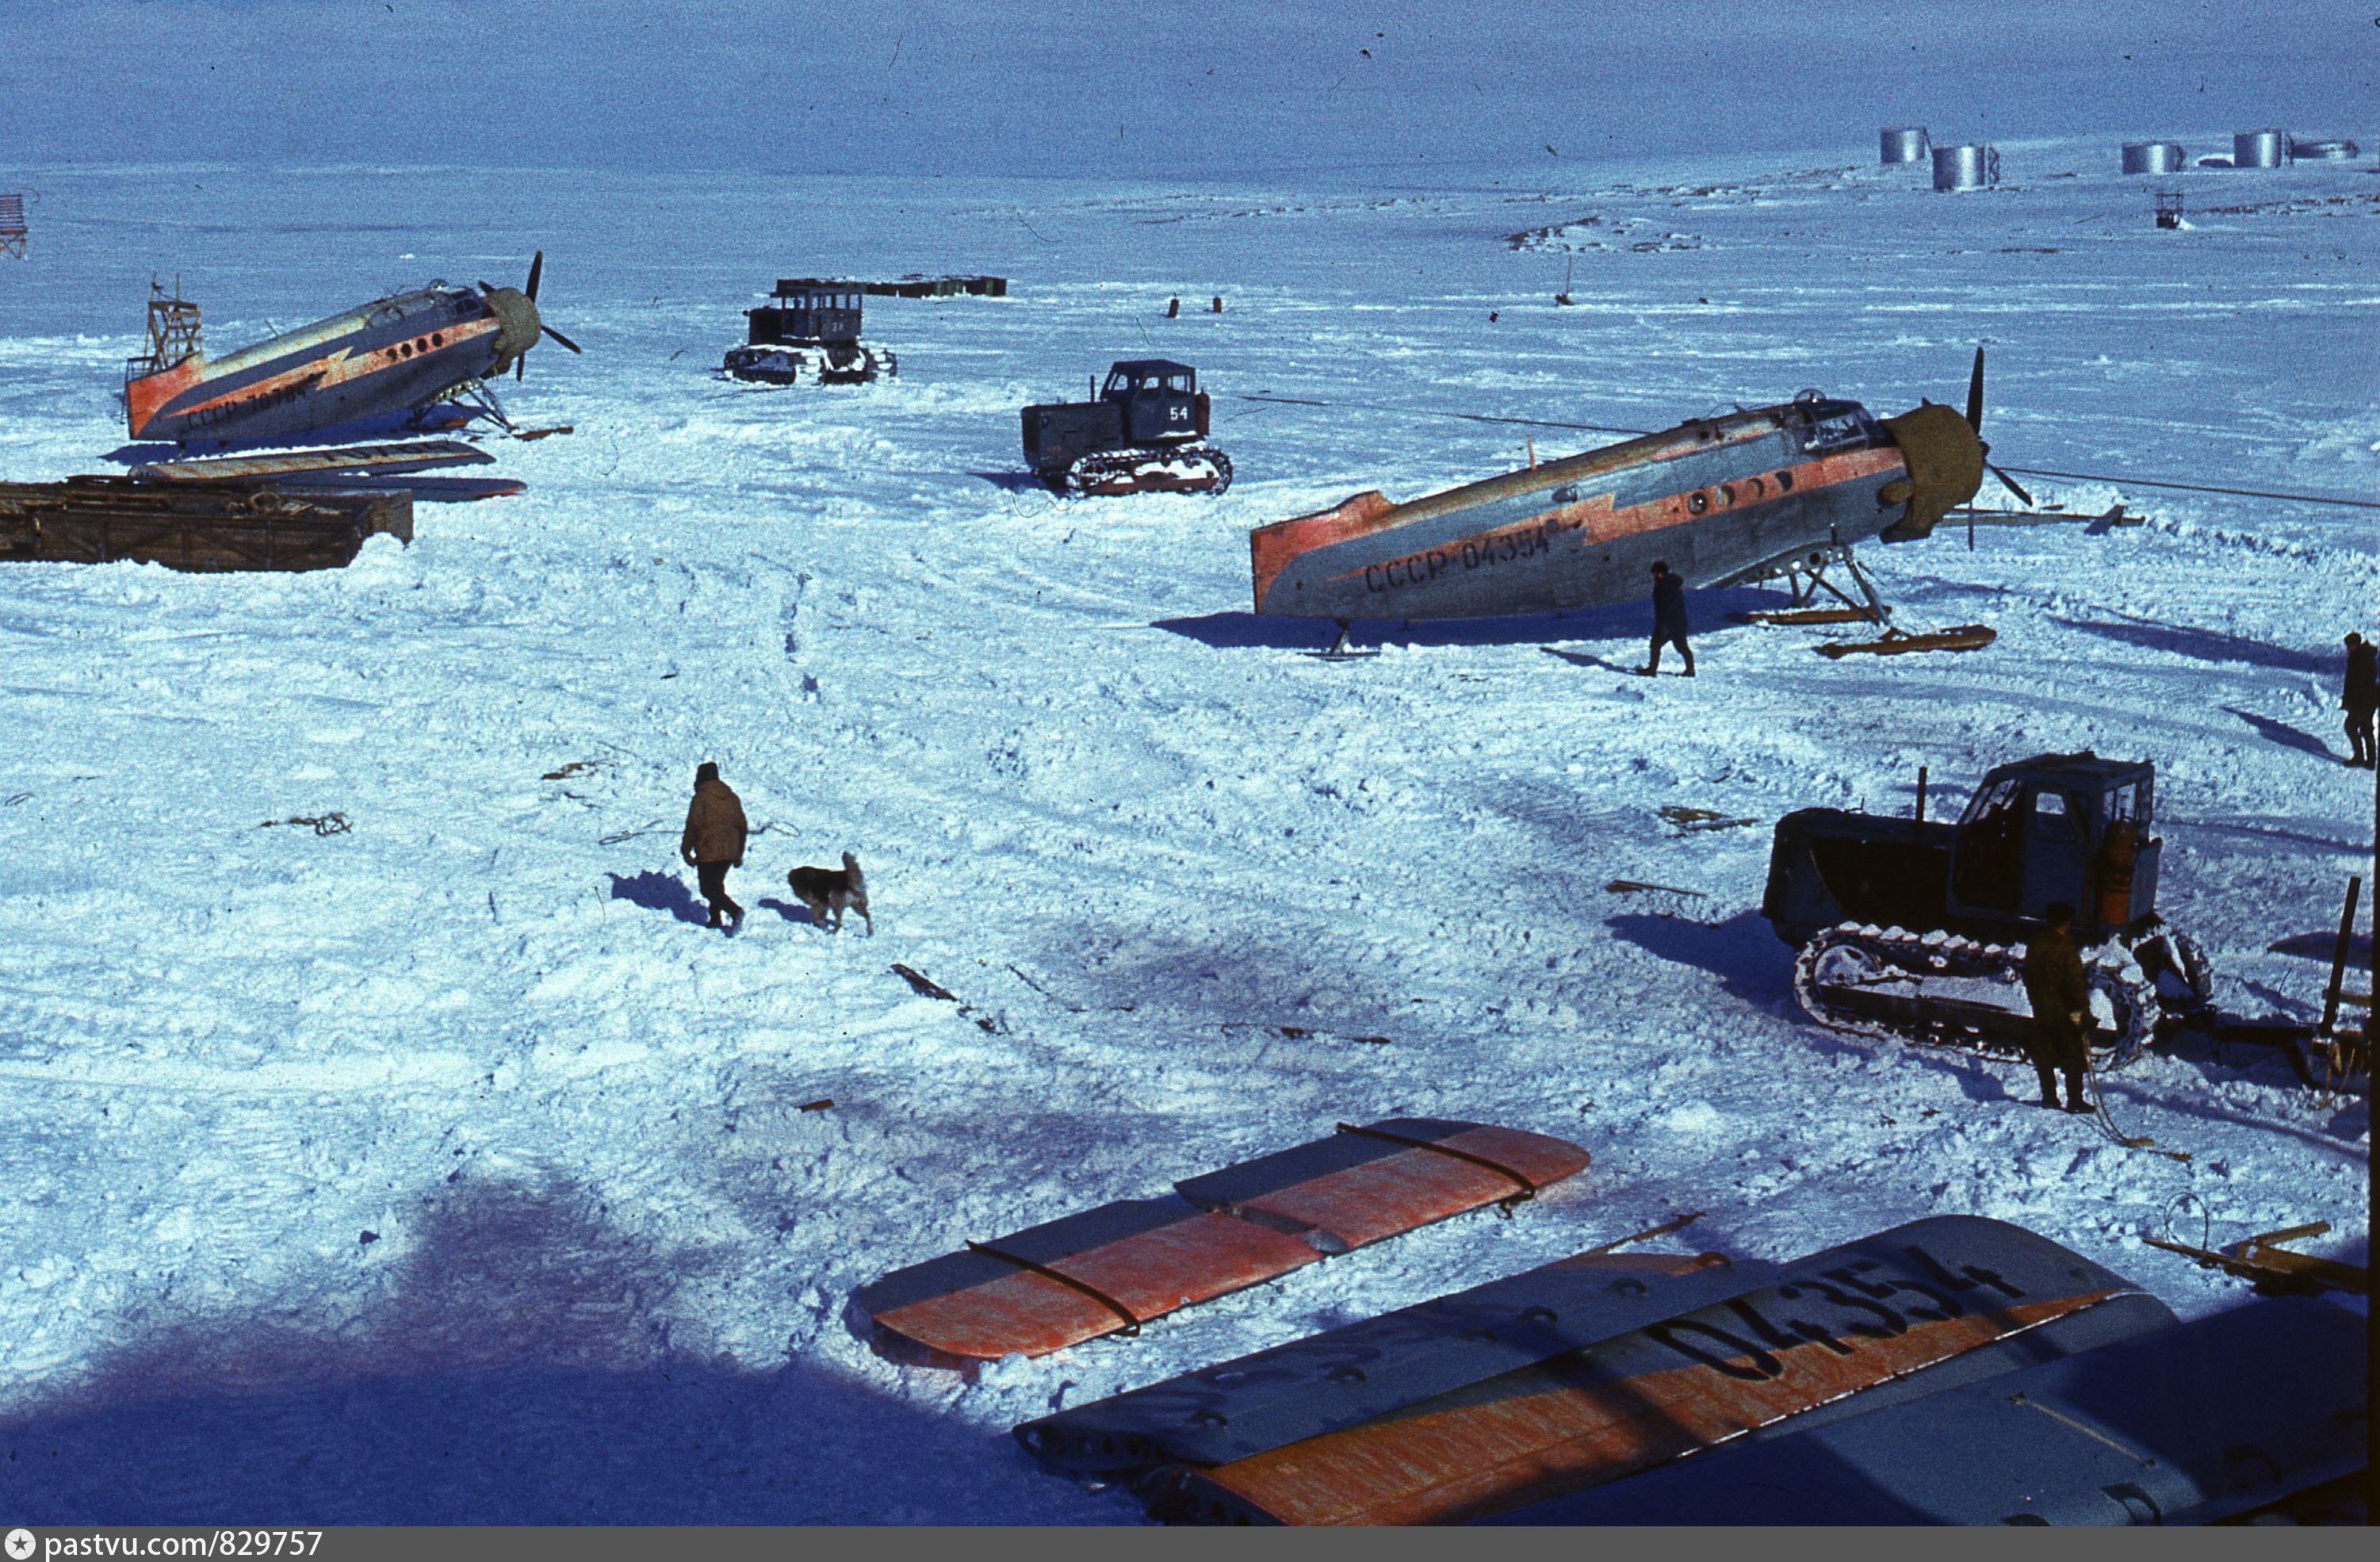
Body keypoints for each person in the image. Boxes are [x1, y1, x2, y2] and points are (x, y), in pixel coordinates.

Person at [2019, 901, 2093, 1113]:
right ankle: (2075, 1101)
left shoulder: (2035, 943)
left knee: (2044, 1053)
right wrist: (2081, 1013)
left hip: (2042, 1009)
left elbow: (2029, 975)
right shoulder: (2065, 946)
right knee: (2073, 1054)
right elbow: (2075, 983)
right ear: (2065, 922)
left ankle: (2049, 1098)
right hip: (2064, 1011)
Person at [679, 761, 748, 932]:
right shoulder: (732, 797)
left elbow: (693, 825)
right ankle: (715, 919)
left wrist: (686, 850)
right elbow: (742, 826)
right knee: (716, 885)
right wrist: (739, 853)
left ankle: (735, 911)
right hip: (730, 850)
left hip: (709, 849)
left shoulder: (701, 798)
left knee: (708, 889)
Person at [1639, 561, 1694, 676]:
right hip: (1679, 622)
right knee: (1682, 646)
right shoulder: (1671, 583)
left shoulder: (1664, 586)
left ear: (1659, 573)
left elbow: (1666, 607)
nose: (1653, 576)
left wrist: (1663, 625)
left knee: (1655, 645)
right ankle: (1690, 670)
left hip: (1667, 623)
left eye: (1654, 573)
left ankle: (1652, 670)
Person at [2343, 632, 2377, 768]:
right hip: (2370, 699)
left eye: (2348, 646)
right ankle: (2371, 761)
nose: (2347, 649)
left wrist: (2350, 702)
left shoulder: (2358, 658)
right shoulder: (2365, 656)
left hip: (2362, 701)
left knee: (2350, 726)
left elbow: (2355, 684)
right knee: (2366, 729)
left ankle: (2359, 757)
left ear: (2354, 645)